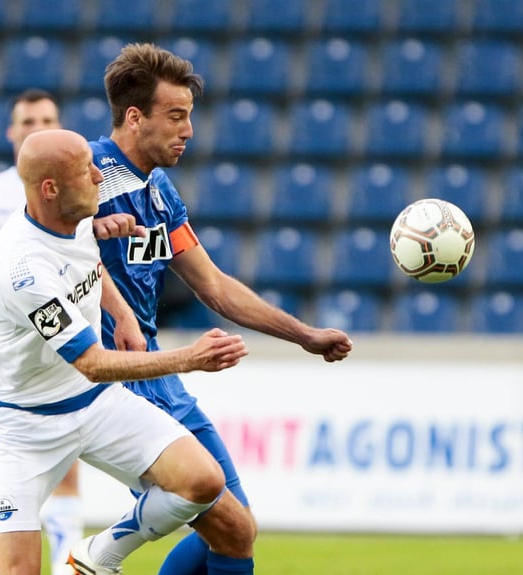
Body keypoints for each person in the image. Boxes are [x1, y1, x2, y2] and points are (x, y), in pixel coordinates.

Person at [72, 43, 354, 575]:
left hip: (158, 372)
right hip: (111, 373)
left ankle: (99, 554)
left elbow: (215, 286)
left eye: (189, 117)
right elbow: (44, 241)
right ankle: (98, 553)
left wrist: (304, 335)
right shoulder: (86, 174)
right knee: (226, 525)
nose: (189, 130)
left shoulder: (159, 192)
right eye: (176, 116)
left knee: (236, 526)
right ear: (135, 118)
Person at [0, 128, 248, 575]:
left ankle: (97, 555)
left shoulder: (74, 215)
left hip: (96, 405)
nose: (100, 175)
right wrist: (191, 359)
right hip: (24, 424)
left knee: (204, 480)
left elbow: (91, 261)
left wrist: (121, 314)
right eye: (87, 170)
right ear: (51, 188)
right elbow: (93, 363)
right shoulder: (22, 270)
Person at [0, 89, 143, 575]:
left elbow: (86, 254)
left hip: (66, 352)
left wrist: (121, 312)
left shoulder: (76, 183)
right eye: (27, 119)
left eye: (46, 118)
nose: (35, 125)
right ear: (12, 131)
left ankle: (68, 562)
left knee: (68, 468)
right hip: (4, 356)